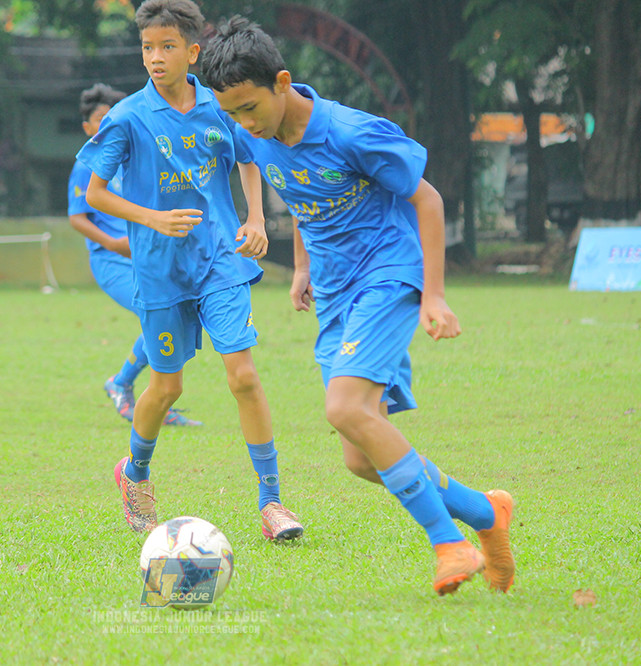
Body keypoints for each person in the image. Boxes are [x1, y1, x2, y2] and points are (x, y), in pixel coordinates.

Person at [201, 17, 514, 594]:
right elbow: (299, 193)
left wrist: (435, 295)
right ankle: (487, 513)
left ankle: (450, 543)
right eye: (232, 114)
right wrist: (301, 267)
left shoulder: (353, 133)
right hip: (337, 292)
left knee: (345, 407)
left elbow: (428, 198)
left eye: (248, 107)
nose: (242, 124)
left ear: (283, 82)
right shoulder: (256, 135)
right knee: (360, 457)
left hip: (389, 275)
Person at [76, 0, 304, 541]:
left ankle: (272, 504)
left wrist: (254, 217)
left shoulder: (221, 107)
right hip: (159, 272)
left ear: (193, 51)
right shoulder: (128, 117)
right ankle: (135, 474)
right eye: (147, 48)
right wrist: (152, 217)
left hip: (220, 262)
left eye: (167, 47)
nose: (155, 57)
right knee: (166, 389)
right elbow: (95, 194)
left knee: (243, 377)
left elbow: (248, 158)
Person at [68, 83, 201, 427]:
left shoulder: (135, 158)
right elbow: (77, 217)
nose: (108, 124)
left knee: (180, 313)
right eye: (100, 120)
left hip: (145, 255)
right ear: (87, 128)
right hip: (112, 260)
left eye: (113, 117)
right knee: (160, 313)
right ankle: (132, 387)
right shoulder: (88, 165)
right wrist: (112, 244)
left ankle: (135, 388)